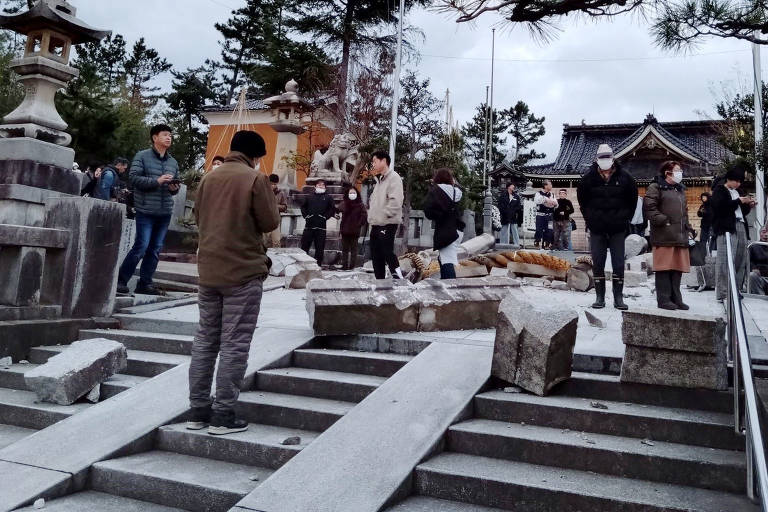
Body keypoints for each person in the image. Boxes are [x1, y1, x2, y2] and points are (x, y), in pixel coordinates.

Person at [188, 130, 279, 435]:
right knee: (234, 343)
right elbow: (269, 222)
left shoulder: (208, 178)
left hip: (209, 271)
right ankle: (223, 414)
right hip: (242, 271)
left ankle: (198, 410)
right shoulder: (255, 179)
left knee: (205, 340)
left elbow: (199, 218)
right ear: (255, 156)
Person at [116, 124, 180, 295]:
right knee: (141, 246)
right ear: (155, 137)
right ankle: (121, 281)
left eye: (170, 135)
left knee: (155, 249)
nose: (169, 138)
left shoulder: (173, 162)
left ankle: (145, 283)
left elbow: (176, 187)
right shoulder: (142, 156)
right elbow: (134, 178)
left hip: (164, 211)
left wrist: (174, 188)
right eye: (165, 135)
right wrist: (157, 181)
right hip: (145, 209)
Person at [577, 144, 638, 310]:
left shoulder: (626, 177)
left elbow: (632, 201)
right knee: (598, 262)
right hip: (597, 228)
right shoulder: (588, 179)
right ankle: (599, 297)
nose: (605, 161)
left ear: (613, 158)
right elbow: (583, 202)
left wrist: (625, 220)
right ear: (596, 159)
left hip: (618, 228)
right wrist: (590, 220)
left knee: (618, 263)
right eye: (601, 157)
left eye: (607, 157)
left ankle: (618, 297)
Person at [644, 161, 695, 310]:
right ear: (667, 172)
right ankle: (663, 299)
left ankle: (676, 298)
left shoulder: (680, 189)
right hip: (663, 235)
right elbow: (649, 208)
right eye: (677, 170)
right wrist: (663, 220)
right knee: (664, 268)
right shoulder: (655, 187)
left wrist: (689, 228)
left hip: (679, 235)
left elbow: (684, 212)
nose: (680, 173)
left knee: (677, 268)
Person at [712, 166, 754, 301]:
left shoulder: (738, 191)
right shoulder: (719, 190)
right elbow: (720, 208)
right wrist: (738, 201)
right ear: (729, 179)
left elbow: (742, 211)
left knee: (740, 259)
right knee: (725, 259)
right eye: (737, 181)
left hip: (741, 224)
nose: (738, 184)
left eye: (740, 182)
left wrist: (748, 204)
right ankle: (723, 293)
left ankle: (736, 290)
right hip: (726, 227)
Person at [367, 150, 407, 280]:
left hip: (387, 223)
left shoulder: (394, 177)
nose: (373, 164)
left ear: (383, 161)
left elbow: (396, 201)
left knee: (387, 251)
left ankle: (398, 277)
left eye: (374, 161)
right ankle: (380, 280)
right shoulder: (379, 180)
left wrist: (384, 216)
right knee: (375, 254)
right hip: (376, 223)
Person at [424, 168, 466, 279]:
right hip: (457, 230)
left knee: (447, 261)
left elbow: (428, 211)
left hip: (445, 231)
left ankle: (450, 287)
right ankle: (446, 283)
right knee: (443, 258)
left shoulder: (435, 191)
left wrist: (438, 215)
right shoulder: (456, 192)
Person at [300, 180, 336, 265]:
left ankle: (318, 264)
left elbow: (332, 209)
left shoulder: (328, 197)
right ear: (315, 186)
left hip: (321, 227)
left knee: (320, 248)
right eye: (319, 185)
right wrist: (306, 216)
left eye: (323, 185)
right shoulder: (309, 196)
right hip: (309, 226)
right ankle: (302, 263)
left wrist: (325, 217)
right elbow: (303, 207)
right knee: (304, 246)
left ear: (325, 187)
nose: (321, 186)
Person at [338, 186, 368, 270]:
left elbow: (364, 216)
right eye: (350, 193)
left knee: (354, 249)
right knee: (345, 249)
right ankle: (344, 265)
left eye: (354, 193)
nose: (352, 194)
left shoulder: (360, 204)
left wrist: (359, 224)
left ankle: (352, 266)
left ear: (357, 194)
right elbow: (337, 210)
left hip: (355, 230)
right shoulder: (344, 203)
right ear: (347, 194)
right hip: (344, 229)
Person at [265, 174, 288, 248]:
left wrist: (275, 206)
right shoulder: (263, 192)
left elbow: (284, 207)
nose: (273, 186)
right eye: (271, 183)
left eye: (274, 184)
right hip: (264, 219)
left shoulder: (280, 193)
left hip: (275, 220)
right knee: (264, 241)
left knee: (276, 241)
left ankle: (277, 258)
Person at [534, 180, 557, 249]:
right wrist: (546, 199)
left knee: (549, 230)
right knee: (539, 229)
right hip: (540, 215)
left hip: (549, 216)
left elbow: (555, 203)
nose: (551, 186)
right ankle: (537, 241)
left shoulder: (552, 194)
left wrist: (550, 202)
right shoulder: (538, 193)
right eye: (550, 184)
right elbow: (537, 201)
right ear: (545, 186)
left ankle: (547, 243)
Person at [749, 228, 768, 295]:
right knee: (752, 275)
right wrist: (753, 268)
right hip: (760, 278)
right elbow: (749, 261)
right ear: (760, 234)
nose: (766, 235)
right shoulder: (754, 246)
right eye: (764, 232)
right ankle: (760, 297)